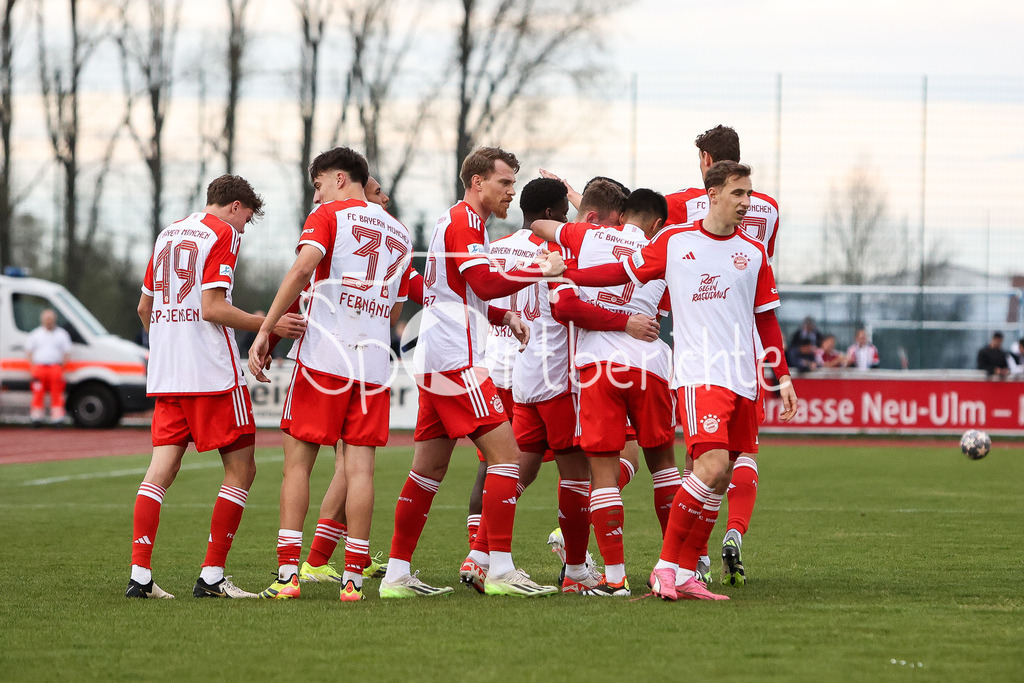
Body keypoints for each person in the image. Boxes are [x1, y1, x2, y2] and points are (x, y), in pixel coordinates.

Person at [560, 161, 798, 600]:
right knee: (709, 465)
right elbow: (621, 271)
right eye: (738, 193)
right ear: (712, 194)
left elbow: (767, 322)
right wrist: (566, 274)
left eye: (749, 194)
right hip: (700, 373)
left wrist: (780, 376)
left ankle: (687, 572)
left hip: (743, 377)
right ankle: (666, 568)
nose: (747, 203)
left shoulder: (754, 253)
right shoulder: (675, 241)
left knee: (722, 475)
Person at [381, 147, 564, 598]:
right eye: (504, 183)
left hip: (437, 360)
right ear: (477, 182)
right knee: (508, 458)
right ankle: (499, 568)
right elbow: (481, 282)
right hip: (456, 362)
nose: (511, 192)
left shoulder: (465, 223)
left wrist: (501, 316)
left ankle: (396, 574)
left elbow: (460, 291)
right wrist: (539, 270)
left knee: (427, 470)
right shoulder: (463, 221)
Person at [127, 175, 306, 600]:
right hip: (211, 374)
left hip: (168, 374)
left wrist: (172, 343)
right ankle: (211, 576)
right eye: (247, 219)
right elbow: (212, 307)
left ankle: (140, 575)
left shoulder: (168, 232)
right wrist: (270, 324)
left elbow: (143, 307)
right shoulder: (222, 232)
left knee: (159, 473)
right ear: (234, 206)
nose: (244, 228)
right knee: (242, 470)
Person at [248, 149, 412, 602]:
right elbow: (398, 306)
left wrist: (266, 329)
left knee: (298, 463)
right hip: (374, 365)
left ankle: (288, 575)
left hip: (324, 360)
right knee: (361, 471)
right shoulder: (398, 230)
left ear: (339, 178)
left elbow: (302, 269)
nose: (316, 193)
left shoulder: (328, 214)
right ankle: (354, 580)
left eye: (318, 183)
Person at [532, 188, 676, 597]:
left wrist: (567, 236)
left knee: (602, 473)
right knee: (664, 466)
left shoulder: (586, 236)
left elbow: (541, 225)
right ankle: (677, 566)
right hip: (649, 365)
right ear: (656, 223)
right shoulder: (659, 248)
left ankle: (615, 577)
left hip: (598, 367)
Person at [664, 125, 783, 586]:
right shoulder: (768, 211)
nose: (746, 201)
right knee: (737, 456)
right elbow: (760, 273)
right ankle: (723, 538)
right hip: (748, 342)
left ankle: (680, 564)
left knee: (699, 463)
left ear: (705, 160)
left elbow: (636, 224)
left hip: (703, 338)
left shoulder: (684, 205)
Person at [458, 176, 577, 592]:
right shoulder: (554, 250)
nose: (567, 219)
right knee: (571, 467)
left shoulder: (494, 247)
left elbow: (482, 297)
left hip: (498, 364)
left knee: (500, 466)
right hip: (545, 369)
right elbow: (567, 307)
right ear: (548, 214)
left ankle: (479, 553)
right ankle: (577, 567)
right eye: (564, 212)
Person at [25, 309, 72, 425]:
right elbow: (29, 352)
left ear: (54, 320)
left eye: (50, 319)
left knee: (57, 393)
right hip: (39, 368)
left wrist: (62, 367)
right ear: (42, 320)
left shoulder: (62, 334)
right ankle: (36, 418)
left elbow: (67, 352)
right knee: (37, 393)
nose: (48, 321)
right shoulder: (36, 334)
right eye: (46, 319)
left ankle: (57, 419)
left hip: (55, 368)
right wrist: (33, 368)